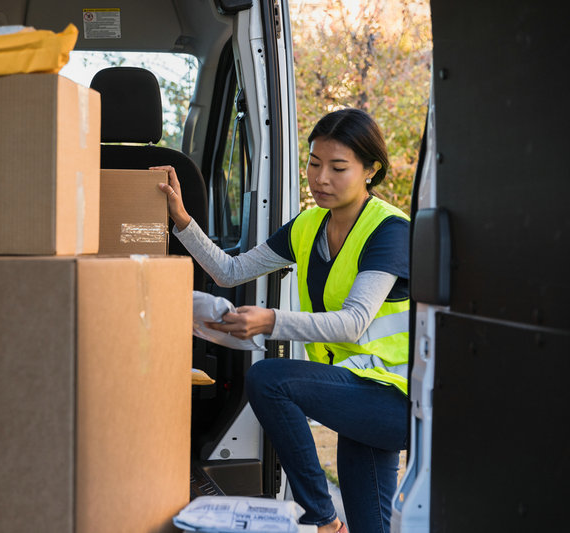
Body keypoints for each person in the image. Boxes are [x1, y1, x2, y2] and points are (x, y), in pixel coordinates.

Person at [153, 108, 410, 533]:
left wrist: (270, 320)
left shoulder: (389, 231)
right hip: (355, 389)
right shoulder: (308, 226)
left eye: (338, 167)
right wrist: (182, 220)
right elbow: (230, 272)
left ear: (371, 170)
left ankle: (322, 519)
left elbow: (353, 322)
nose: (320, 178)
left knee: (268, 380)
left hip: (393, 399)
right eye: (313, 163)